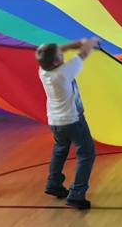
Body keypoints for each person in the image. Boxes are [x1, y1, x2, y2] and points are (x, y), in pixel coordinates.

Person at [37, 38, 100, 211]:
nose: (62, 52)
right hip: (72, 120)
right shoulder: (64, 72)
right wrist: (91, 41)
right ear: (57, 60)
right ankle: (77, 194)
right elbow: (84, 53)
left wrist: (76, 42)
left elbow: (54, 53)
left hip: (55, 121)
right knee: (86, 154)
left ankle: (54, 184)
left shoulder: (43, 71)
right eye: (59, 54)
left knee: (60, 150)